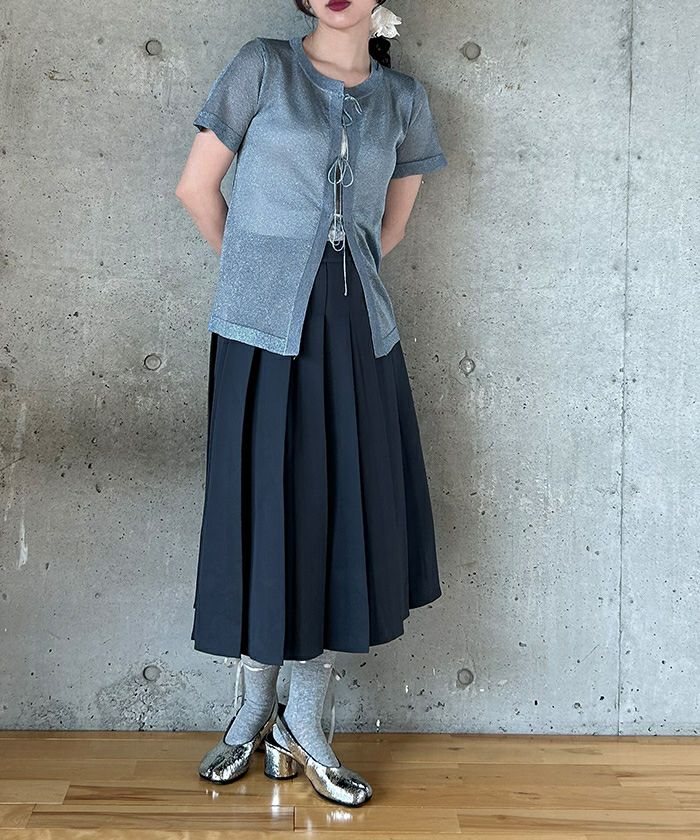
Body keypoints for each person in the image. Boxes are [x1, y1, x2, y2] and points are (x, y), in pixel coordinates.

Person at [175, 0, 448, 807]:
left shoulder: (404, 100)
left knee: (335, 514)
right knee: (263, 510)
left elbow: (388, 231)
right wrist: (259, 276)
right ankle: (252, 710)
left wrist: (330, 285)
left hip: (357, 332)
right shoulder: (263, 65)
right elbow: (196, 187)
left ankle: (304, 720)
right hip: (260, 328)